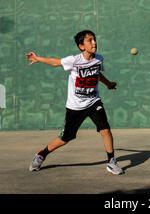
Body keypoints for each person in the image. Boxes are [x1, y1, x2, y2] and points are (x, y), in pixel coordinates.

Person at [26, 29, 124, 175]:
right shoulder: (74, 60)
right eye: (89, 40)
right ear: (81, 46)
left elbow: (97, 74)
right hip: (75, 106)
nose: (94, 42)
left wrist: (108, 84)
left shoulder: (99, 59)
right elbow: (56, 62)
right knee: (66, 138)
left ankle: (111, 161)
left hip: (93, 102)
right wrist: (38, 58)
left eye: (94, 39)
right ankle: (41, 154)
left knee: (105, 130)